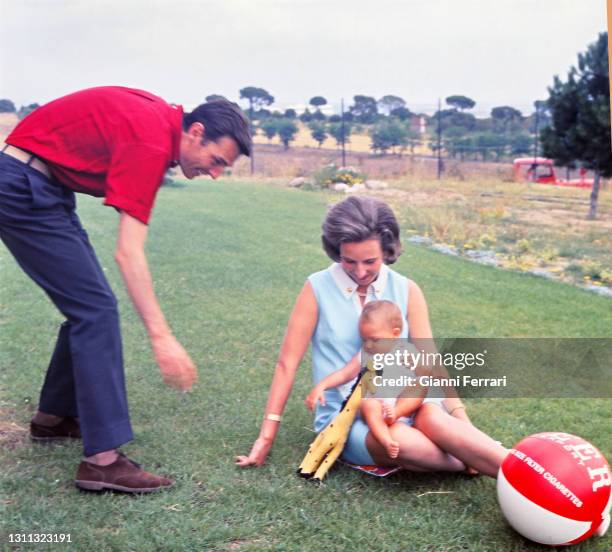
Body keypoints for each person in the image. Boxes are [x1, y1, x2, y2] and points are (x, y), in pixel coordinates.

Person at [0, 86, 251, 493]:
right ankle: (101, 463)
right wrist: (162, 338)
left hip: (41, 183)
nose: (216, 172)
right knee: (95, 310)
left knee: (91, 307)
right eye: (216, 160)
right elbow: (128, 253)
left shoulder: (159, 126)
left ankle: (54, 416)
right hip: (22, 185)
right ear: (195, 131)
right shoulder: (152, 141)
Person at [236, 196, 506, 477]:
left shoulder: (407, 289)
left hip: (409, 401)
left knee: (435, 419)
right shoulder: (316, 288)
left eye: (370, 261)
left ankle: (526, 473)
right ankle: (467, 462)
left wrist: (465, 424)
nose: (360, 272)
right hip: (350, 416)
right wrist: (266, 436)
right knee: (400, 442)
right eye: (348, 261)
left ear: (387, 251)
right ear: (335, 250)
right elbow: (286, 365)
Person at [305, 300, 430, 460]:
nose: (369, 345)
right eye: (364, 340)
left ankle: (395, 414)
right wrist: (321, 386)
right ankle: (386, 440)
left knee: (420, 387)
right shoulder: (366, 354)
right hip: (376, 403)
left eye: (375, 339)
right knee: (367, 403)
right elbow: (345, 374)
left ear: (395, 333)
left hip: (401, 405)